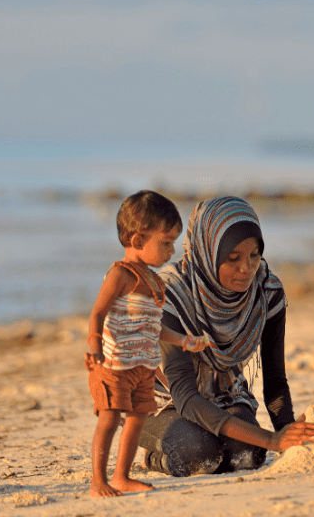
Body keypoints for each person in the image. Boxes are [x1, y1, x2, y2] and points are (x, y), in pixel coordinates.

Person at [137, 196, 314, 477]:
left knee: (248, 455)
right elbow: (185, 395)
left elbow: (275, 379)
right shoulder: (168, 295)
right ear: (207, 254)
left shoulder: (266, 293)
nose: (247, 268)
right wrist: (273, 440)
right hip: (162, 403)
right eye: (233, 258)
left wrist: (289, 433)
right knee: (198, 454)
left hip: (225, 394)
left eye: (254, 255)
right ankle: (152, 458)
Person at [85, 190, 211, 498]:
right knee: (110, 418)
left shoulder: (156, 283)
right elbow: (98, 312)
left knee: (137, 419)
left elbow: (153, 328)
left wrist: (184, 340)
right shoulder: (121, 274)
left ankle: (121, 476)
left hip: (142, 368)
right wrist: (94, 345)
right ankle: (98, 480)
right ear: (139, 240)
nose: (172, 250)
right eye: (166, 242)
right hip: (113, 366)